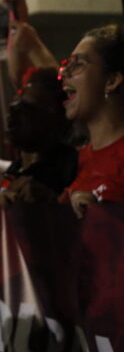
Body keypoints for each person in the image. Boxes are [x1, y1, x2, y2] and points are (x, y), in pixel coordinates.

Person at [60, 24, 124, 217]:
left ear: (111, 81)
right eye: (66, 65)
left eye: (77, 64)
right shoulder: (82, 157)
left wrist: (106, 213)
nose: (64, 74)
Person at [0, 67, 77, 205]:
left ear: (57, 117)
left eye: (28, 106)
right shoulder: (14, 170)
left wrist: (54, 203)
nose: (13, 112)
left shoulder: (71, 166)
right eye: (15, 103)